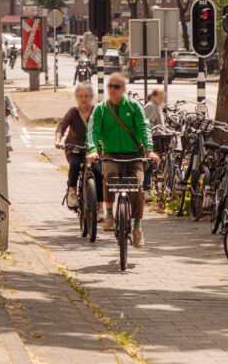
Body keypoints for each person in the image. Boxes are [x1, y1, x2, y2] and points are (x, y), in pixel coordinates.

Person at [87, 73, 157, 248]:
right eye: (110, 86)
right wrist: (93, 150)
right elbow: (93, 131)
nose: (112, 90)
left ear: (124, 89)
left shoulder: (134, 107)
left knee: (138, 186)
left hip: (134, 154)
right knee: (109, 175)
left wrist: (149, 150)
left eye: (116, 87)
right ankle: (110, 215)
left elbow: (144, 127)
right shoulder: (101, 109)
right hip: (112, 154)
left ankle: (137, 227)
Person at [55, 83, 99, 209]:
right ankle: (72, 191)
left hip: (91, 150)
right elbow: (61, 127)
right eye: (81, 96)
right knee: (74, 164)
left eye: (86, 96)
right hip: (73, 148)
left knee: (98, 171)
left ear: (91, 97)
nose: (84, 99)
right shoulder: (73, 112)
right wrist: (58, 141)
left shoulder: (96, 112)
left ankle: (100, 207)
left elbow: (105, 129)